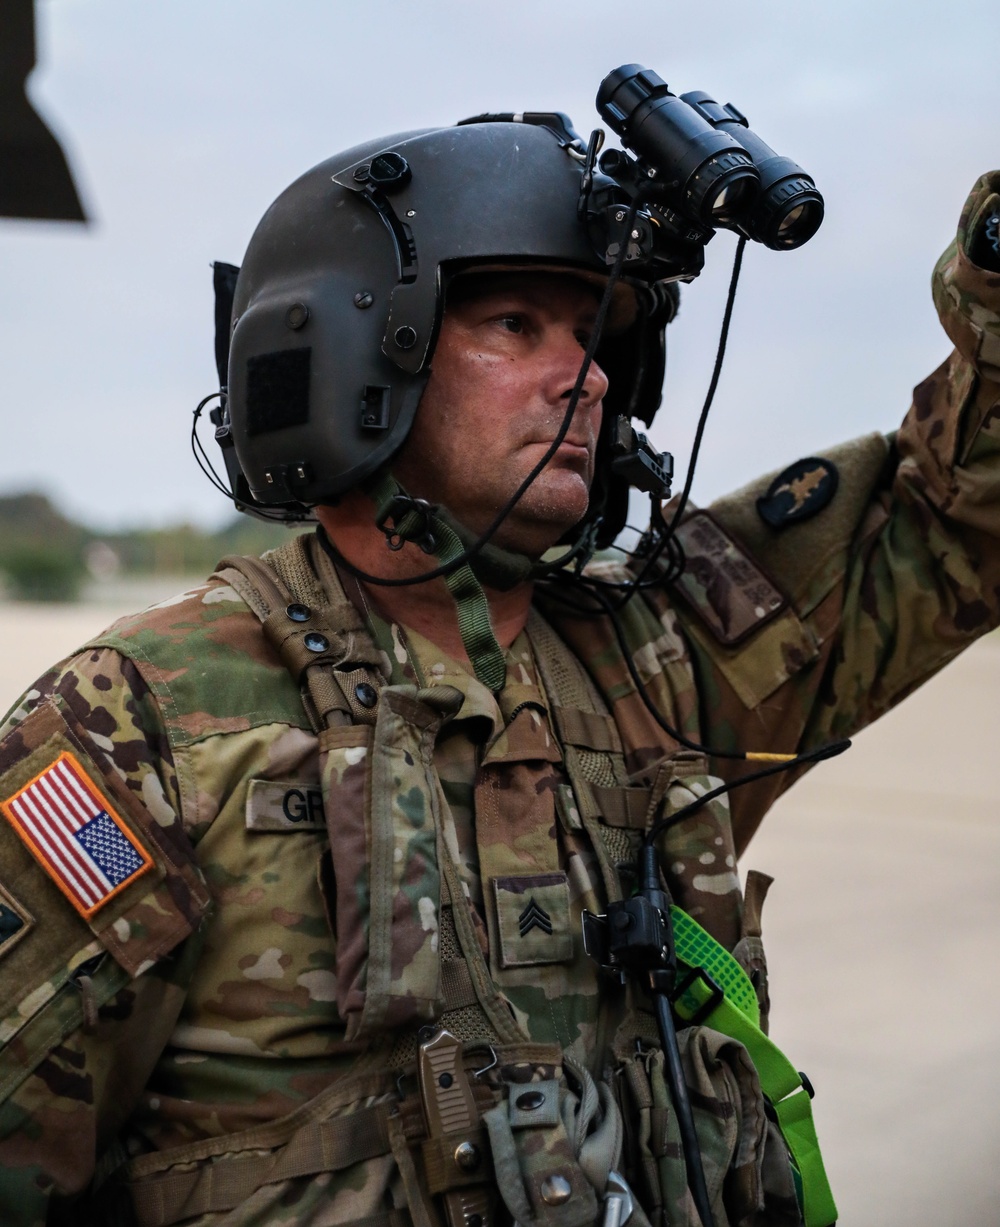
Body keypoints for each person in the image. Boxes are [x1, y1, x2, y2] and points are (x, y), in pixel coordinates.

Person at [0, 97, 997, 1227]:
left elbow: (947, 525)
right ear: (350, 353)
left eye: (595, 336)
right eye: (517, 325)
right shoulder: (150, 717)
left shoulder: (660, 656)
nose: (587, 378)